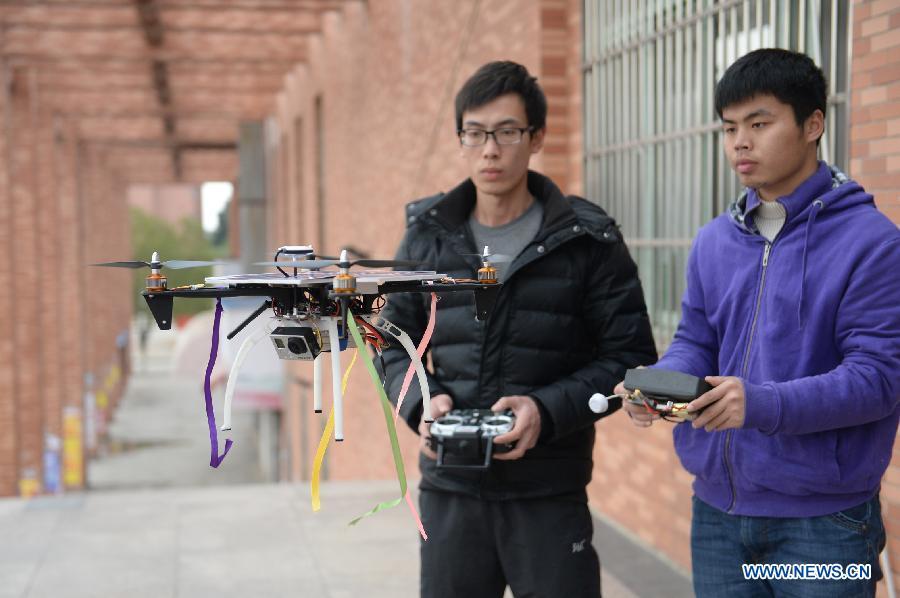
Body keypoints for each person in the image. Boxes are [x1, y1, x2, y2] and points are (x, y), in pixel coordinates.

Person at [618, 48, 900, 597]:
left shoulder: (872, 243)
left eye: (759, 123)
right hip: (718, 515)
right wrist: (658, 385)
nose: (740, 143)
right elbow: (695, 341)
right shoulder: (713, 241)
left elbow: (879, 379)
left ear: (813, 125)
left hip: (824, 525)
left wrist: (762, 403)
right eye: (729, 128)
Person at [378, 61, 657, 598]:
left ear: (537, 138)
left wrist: (545, 411)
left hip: (549, 492)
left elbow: (629, 358)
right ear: (460, 139)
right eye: (475, 133)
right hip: (451, 488)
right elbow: (390, 342)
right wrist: (420, 403)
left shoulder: (587, 239)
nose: (490, 150)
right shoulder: (427, 237)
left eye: (507, 132)